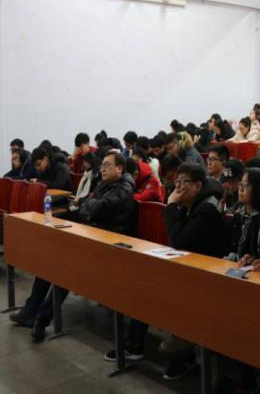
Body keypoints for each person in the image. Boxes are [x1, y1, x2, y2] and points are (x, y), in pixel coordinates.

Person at [104, 162, 225, 380]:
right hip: (190, 268)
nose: (177, 187)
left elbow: (178, 241)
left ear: (198, 185)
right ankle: (135, 345)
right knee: (147, 285)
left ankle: (182, 356)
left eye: (183, 182)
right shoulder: (193, 203)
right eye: (176, 181)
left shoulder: (206, 208)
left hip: (208, 277)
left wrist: (170, 206)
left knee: (157, 289)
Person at [12, 152, 137, 341]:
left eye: (107, 165)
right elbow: (86, 206)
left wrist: (89, 205)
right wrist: (90, 206)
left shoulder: (124, 190)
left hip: (110, 249)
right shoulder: (104, 185)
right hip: (93, 239)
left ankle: (42, 318)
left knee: (66, 269)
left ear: (119, 168)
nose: (102, 169)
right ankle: (31, 311)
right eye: (102, 165)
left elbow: (95, 207)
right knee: (50, 262)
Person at [225, 167, 260, 261]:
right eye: (241, 185)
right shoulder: (238, 215)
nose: (241, 189)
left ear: (258, 188)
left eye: (247, 185)